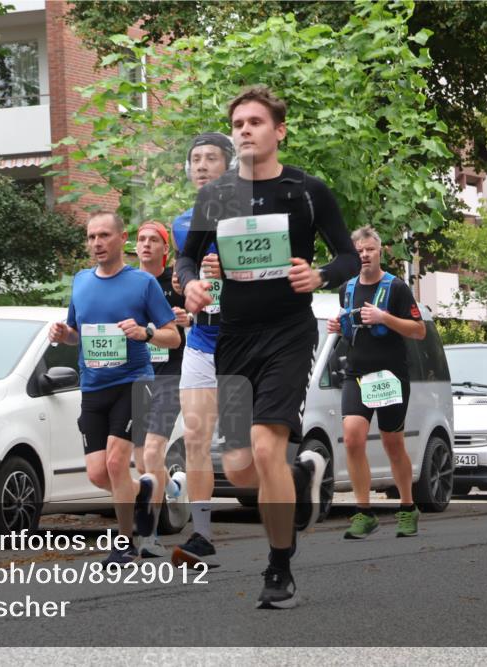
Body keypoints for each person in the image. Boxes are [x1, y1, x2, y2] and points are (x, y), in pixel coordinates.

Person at [176, 85, 359, 608]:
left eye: (255, 122)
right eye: (238, 125)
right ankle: (299, 476)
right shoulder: (216, 196)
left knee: (264, 446)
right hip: (233, 337)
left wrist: (319, 274)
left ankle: (278, 567)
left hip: (287, 333)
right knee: (237, 468)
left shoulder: (306, 190)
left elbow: (348, 257)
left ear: (278, 131)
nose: (245, 131)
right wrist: (188, 283)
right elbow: (186, 260)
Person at [49, 211, 180, 565]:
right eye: (91, 237)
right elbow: (77, 331)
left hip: (133, 384)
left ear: (123, 239)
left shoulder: (142, 283)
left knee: (116, 461)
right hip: (93, 387)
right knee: (97, 473)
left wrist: (145, 332)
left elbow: (173, 335)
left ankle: (124, 543)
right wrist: (64, 335)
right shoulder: (80, 281)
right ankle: (144, 495)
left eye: (104, 235)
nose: (97, 243)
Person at [325, 226, 426, 539]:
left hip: (389, 376)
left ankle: (407, 507)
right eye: (359, 251)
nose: (365, 255)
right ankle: (363, 512)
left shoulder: (395, 288)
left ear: (379, 252)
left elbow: (419, 330)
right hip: (357, 374)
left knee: (392, 443)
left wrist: (385, 318)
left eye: (369, 250)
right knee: (353, 438)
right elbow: (351, 329)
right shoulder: (347, 289)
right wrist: (338, 326)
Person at [169, 132, 234, 568]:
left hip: (248, 341)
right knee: (196, 437)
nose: (202, 165)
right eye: (195, 159)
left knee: (244, 455)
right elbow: (186, 272)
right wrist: (186, 280)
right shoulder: (182, 223)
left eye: (211, 158)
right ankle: (203, 535)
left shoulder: (252, 213)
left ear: (229, 165)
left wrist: (227, 266)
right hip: (201, 341)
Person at [132, 221, 190, 558]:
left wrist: (188, 319)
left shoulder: (178, 283)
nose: (147, 245)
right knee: (142, 459)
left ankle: (149, 534)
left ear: (165, 249)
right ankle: (171, 485)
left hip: (171, 375)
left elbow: (203, 321)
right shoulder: (126, 284)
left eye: (154, 240)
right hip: (136, 376)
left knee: (152, 453)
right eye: (141, 240)